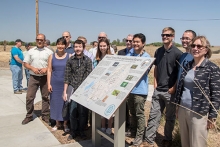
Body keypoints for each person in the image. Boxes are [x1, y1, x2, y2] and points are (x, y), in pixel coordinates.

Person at [175, 36, 220, 147]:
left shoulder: (211, 68)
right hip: (183, 109)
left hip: (199, 112)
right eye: (193, 46)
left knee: (197, 144)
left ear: (206, 50)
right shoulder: (187, 65)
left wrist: (212, 116)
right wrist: (177, 107)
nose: (195, 48)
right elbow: (180, 88)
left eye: (199, 46)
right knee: (185, 142)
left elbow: (216, 94)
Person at [141, 27, 182, 147]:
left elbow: (180, 74)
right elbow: (156, 68)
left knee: (169, 118)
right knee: (154, 115)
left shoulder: (178, 53)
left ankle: (167, 139)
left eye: (167, 35)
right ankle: (148, 140)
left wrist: (174, 87)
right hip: (158, 90)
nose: (165, 37)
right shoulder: (158, 51)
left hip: (170, 92)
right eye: (163, 35)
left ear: (172, 37)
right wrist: (155, 84)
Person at [63, 40, 92, 140]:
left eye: (79, 46)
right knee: (72, 112)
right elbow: (67, 76)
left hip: (83, 91)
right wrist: (65, 91)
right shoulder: (70, 60)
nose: (77, 48)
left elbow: (89, 76)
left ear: (83, 47)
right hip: (73, 90)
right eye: (75, 47)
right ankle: (74, 131)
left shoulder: (88, 60)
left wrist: (86, 90)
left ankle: (81, 131)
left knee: (83, 113)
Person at [21, 33, 53, 125]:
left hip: (45, 77)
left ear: (44, 41)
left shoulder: (49, 52)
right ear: (36, 40)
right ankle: (29, 116)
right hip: (33, 77)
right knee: (29, 97)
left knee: (45, 97)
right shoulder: (31, 51)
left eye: (41, 40)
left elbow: (52, 64)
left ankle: (45, 115)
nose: (39, 41)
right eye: (38, 39)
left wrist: (46, 69)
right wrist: (33, 68)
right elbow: (25, 63)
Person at [125, 33, 151, 147]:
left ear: (143, 43)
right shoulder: (129, 54)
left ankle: (139, 137)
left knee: (139, 114)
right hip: (129, 90)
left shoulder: (146, 58)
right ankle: (134, 132)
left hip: (140, 91)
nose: (135, 43)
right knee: (132, 113)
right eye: (134, 41)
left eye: (137, 42)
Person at [47, 37, 71, 132]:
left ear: (65, 45)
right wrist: (49, 83)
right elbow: (49, 70)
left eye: (62, 44)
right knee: (55, 103)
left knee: (65, 103)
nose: (60, 46)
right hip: (55, 83)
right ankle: (57, 123)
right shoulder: (51, 56)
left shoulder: (69, 56)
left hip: (66, 84)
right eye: (59, 44)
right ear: (56, 45)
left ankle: (65, 124)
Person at [93, 38, 114, 135]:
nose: (102, 48)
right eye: (100, 46)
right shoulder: (96, 59)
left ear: (108, 46)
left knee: (109, 107)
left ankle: (109, 127)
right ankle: (102, 126)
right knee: (100, 107)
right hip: (99, 86)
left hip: (109, 86)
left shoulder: (113, 57)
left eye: (104, 46)